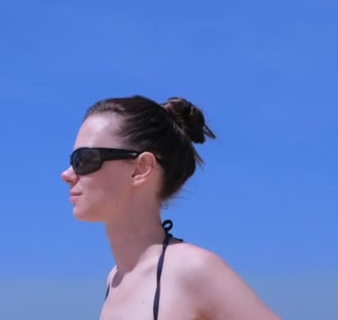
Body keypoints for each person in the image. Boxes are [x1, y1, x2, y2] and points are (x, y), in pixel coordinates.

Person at [60, 95, 280, 319]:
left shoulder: (192, 269)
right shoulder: (115, 279)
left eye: (83, 159)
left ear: (141, 168)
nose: (67, 174)